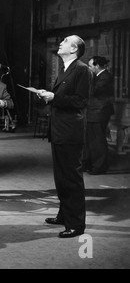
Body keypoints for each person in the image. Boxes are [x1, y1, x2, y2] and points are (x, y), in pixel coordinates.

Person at [37, 35, 91, 238]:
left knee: (71, 178)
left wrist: (54, 97)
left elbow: (80, 101)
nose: (61, 42)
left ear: (75, 48)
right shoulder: (66, 68)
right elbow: (64, 98)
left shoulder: (82, 69)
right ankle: (64, 215)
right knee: (61, 177)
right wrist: (48, 96)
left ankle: (76, 224)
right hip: (60, 130)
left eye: (66, 40)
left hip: (70, 132)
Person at [83, 56, 115, 175]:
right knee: (92, 140)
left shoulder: (105, 77)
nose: (89, 68)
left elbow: (93, 91)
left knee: (98, 141)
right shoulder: (99, 76)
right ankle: (91, 164)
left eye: (90, 66)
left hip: (99, 112)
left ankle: (99, 167)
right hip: (95, 112)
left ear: (97, 66)